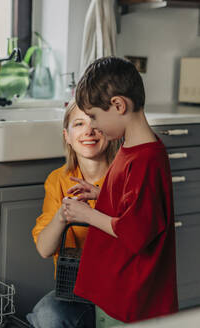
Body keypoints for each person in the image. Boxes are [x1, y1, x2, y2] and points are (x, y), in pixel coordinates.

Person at [62, 56, 178, 324]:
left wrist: (86, 215)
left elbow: (135, 230)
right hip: (119, 290)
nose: (92, 126)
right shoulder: (132, 148)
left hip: (130, 299)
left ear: (118, 105)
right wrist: (100, 194)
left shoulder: (146, 159)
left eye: (93, 116)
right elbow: (138, 207)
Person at [27, 99, 120, 328]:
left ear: (110, 131)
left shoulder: (125, 177)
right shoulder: (58, 180)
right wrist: (62, 214)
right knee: (46, 314)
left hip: (120, 289)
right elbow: (44, 249)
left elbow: (137, 231)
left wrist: (102, 199)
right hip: (75, 291)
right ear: (67, 136)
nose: (88, 131)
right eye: (79, 124)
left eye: (95, 122)